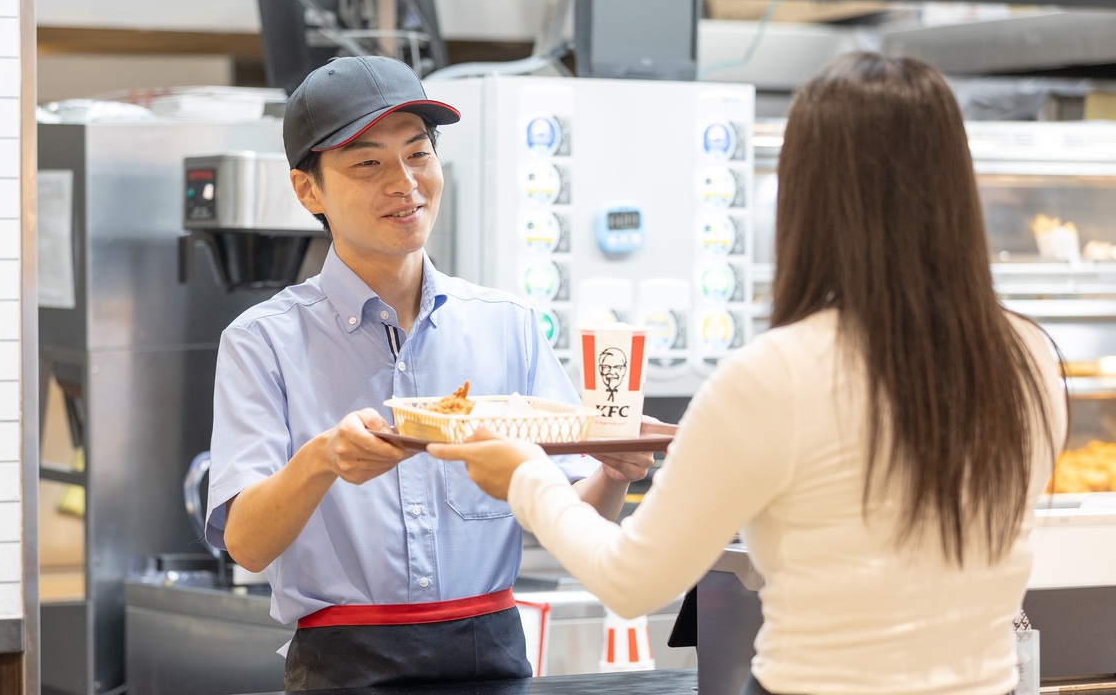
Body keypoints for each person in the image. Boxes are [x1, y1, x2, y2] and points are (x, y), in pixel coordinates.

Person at [430, 51, 1068, 695]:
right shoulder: (1031, 356)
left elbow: (631, 581)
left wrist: (525, 476)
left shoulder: (777, 374)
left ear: (808, 195)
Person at [204, 55, 653, 691]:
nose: (405, 182)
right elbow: (246, 545)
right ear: (308, 191)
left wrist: (613, 471)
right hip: (343, 665)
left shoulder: (508, 325)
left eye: (418, 154)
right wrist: (322, 459)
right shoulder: (262, 341)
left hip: (493, 657)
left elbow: (575, 528)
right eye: (368, 164)